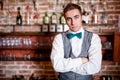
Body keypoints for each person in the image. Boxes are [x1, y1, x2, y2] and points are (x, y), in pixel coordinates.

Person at [50, 3, 102, 80]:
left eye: (76, 17)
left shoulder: (94, 38)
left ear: (82, 17)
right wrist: (82, 60)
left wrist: (67, 67)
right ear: (65, 20)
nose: (73, 22)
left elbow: (95, 67)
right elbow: (57, 66)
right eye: (69, 19)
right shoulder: (59, 38)